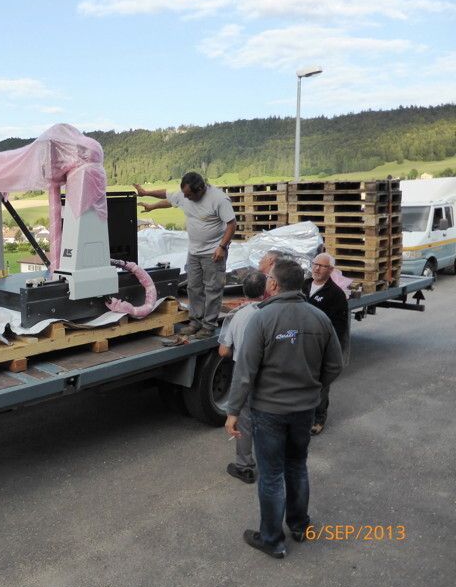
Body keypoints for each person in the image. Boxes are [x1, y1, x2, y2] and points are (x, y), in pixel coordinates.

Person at [225, 259, 343, 558]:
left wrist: (233, 411)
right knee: (297, 465)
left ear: (274, 285)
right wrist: (312, 388)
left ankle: (272, 540)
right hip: (304, 410)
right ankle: (300, 526)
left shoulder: (262, 319)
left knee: (272, 475)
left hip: (269, 412)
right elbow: (335, 366)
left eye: (268, 279)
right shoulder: (319, 318)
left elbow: (245, 372)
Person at [136, 172, 236, 339]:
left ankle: (208, 325)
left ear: (200, 189)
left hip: (214, 252)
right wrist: (147, 195)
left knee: (212, 289)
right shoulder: (185, 196)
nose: (186, 198)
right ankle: (195, 321)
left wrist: (222, 246)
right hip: (194, 252)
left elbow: (232, 225)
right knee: (193, 287)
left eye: (189, 195)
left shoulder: (218, 199)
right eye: (185, 194)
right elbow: (167, 196)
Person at [218, 270, 267, 484]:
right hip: (269, 371)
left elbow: (223, 351)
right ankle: (273, 462)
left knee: (244, 420)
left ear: (243, 291)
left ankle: (245, 467)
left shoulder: (237, 315)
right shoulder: (270, 313)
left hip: (244, 370)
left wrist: (237, 351)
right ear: (265, 290)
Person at [301, 253, 349, 436]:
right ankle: (302, 414)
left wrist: (330, 349)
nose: (316, 268)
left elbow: (339, 326)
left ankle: (318, 418)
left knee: (320, 384)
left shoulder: (336, 295)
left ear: (330, 270)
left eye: (321, 266)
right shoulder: (303, 285)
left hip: (320, 346)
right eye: (314, 264)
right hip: (300, 343)